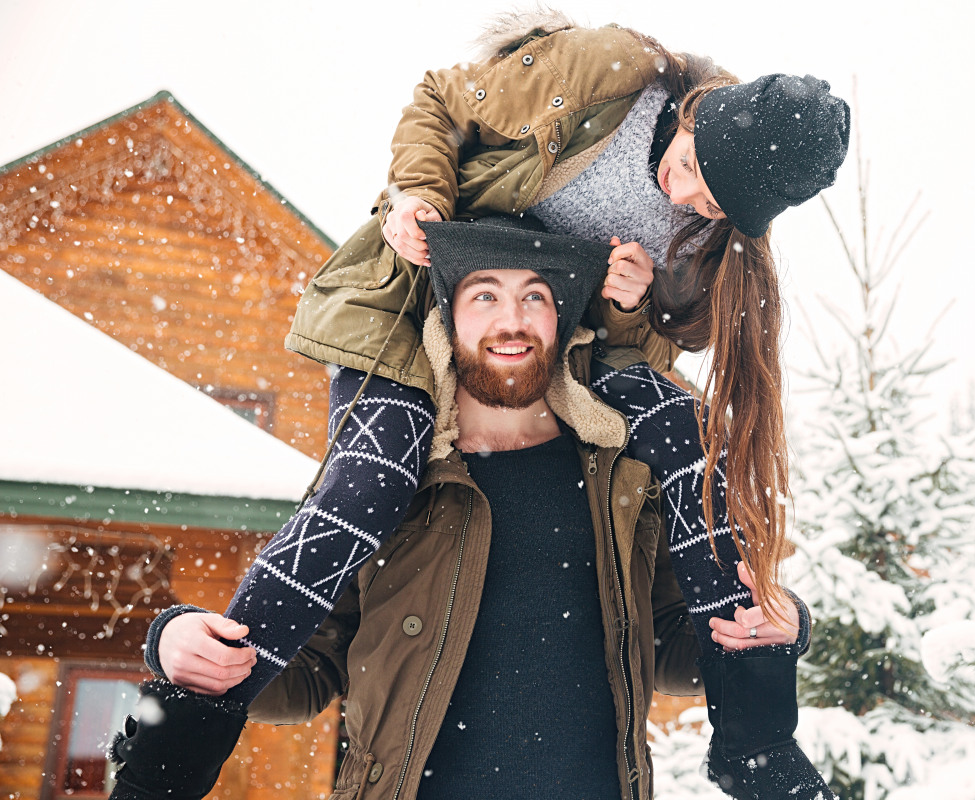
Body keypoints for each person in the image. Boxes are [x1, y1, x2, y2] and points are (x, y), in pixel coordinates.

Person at [111, 10, 850, 800]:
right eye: (696, 165)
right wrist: (180, 649)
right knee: (371, 477)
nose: (687, 193)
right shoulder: (608, 74)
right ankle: (168, 766)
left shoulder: (614, 484)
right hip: (416, 279)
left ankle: (757, 747)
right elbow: (312, 666)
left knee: (686, 428)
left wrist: (775, 630)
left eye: (712, 204)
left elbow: (671, 641)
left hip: (596, 353)